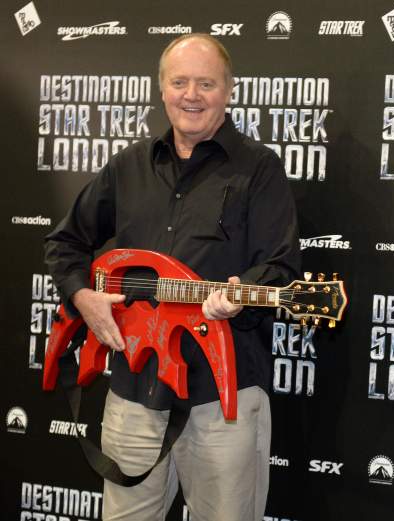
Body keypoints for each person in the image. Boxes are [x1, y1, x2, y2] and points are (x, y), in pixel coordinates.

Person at [44, 34, 300, 520]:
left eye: (206, 83)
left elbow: (281, 268)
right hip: (134, 391)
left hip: (221, 397)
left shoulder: (259, 169)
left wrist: (236, 297)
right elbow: (65, 242)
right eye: (180, 82)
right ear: (161, 89)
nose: (191, 95)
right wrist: (83, 298)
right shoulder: (128, 166)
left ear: (229, 91)